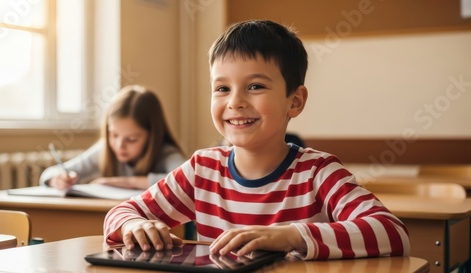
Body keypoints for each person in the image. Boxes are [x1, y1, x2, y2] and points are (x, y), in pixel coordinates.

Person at [103, 20, 410, 260]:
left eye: (255, 86)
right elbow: (118, 215)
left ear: (295, 101)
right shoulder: (202, 170)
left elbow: (392, 233)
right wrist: (134, 225)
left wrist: (292, 236)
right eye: (222, 88)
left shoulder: (318, 172)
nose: (235, 102)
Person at [39, 85, 186, 190]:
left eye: (132, 139)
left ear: (152, 136)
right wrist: (57, 179)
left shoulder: (166, 153)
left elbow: (186, 181)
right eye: (114, 135)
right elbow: (49, 173)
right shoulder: (104, 150)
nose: (119, 145)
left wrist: (126, 182)